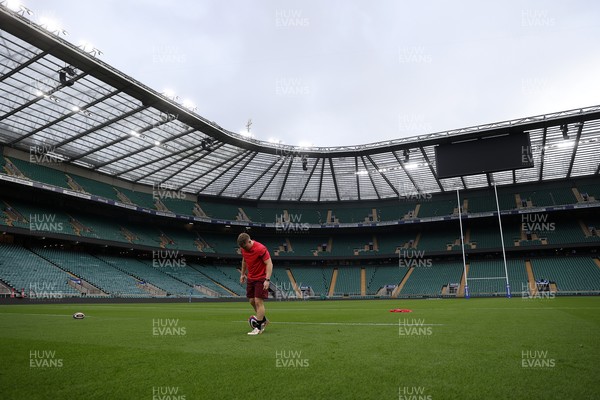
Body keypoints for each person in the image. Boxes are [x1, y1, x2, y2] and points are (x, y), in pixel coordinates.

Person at [237, 232, 273, 335]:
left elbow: (269, 263)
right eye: (242, 247)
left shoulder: (260, 249)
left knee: (258, 301)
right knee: (252, 301)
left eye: (245, 246)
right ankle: (264, 320)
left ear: (249, 241)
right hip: (251, 278)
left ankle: (258, 327)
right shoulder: (243, 249)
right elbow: (244, 261)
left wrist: (267, 279)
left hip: (261, 278)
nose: (245, 249)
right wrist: (243, 274)